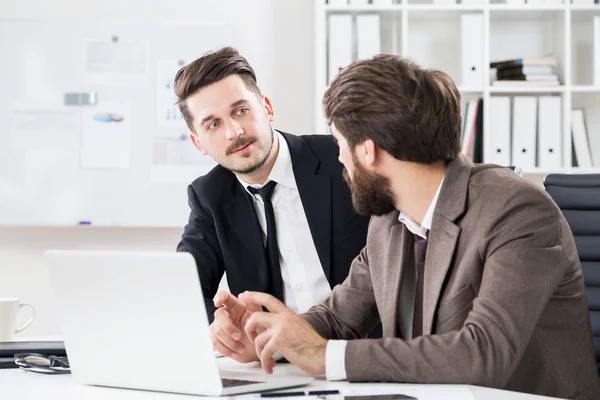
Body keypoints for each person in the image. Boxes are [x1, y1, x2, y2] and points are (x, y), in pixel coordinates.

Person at [212, 54, 600, 399]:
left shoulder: (518, 211)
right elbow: (338, 318)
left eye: (339, 144)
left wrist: (322, 356)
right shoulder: (388, 220)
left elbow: (483, 355)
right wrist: (268, 336)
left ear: (368, 150)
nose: (339, 160)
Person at [174, 47, 370, 353]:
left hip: (362, 357)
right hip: (278, 368)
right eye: (213, 124)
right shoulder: (210, 196)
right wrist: (220, 326)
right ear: (198, 142)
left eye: (241, 110)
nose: (234, 132)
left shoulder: (341, 160)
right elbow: (182, 287)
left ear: (267, 108)